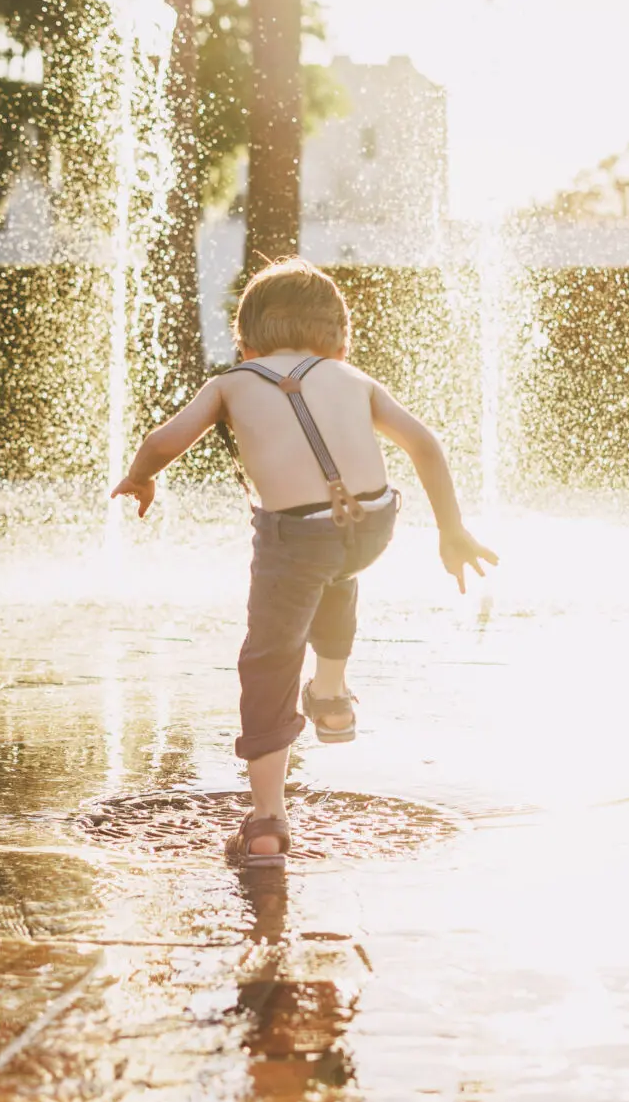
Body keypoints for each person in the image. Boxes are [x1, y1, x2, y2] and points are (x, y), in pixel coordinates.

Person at [111, 258, 497, 868]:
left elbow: (163, 441)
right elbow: (426, 443)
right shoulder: (352, 377)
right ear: (341, 334)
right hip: (372, 524)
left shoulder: (231, 383)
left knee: (270, 657)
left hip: (293, 539)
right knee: (336, 575)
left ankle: (267, 822)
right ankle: (334, 694)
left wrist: (139, 479)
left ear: (245, 336)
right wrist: (451, 530)